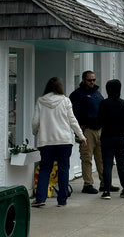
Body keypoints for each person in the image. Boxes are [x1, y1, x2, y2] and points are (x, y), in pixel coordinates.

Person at [31, 77, 87, 208]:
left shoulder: (40, 101)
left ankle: (40, 198)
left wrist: (36, 133)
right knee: (63, 168)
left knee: (45, 169)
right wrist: (81, 135)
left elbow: (35, 122)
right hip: (64, 140)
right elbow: (72, 120)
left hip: (46, 141)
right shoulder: (65, 100)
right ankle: (62, 200)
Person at [70, 71, 118, 194]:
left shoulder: (97, 94)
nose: (92, 82)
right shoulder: (77, 95)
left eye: (94, 80)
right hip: (87, 130)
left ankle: (105, 183)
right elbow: (73, 114)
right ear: (83, 80)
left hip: (100, 129)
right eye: (89, 80)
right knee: (87, 158)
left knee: (102, 158)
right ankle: (88, 184)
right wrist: (79, 131)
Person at [98, 79, 124, 199]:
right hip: (122, 137)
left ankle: (106, 191)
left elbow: (99, 120)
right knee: (122, 164)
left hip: (107, 137)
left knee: (107, 164)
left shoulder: (104, 103)